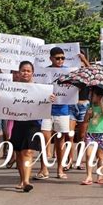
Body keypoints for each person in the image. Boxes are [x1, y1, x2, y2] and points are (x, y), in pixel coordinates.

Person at [8, 61, 55, 192]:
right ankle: (22, 179)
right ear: (19, 72)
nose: (25, 73)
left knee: (28, 151)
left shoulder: (39, 89)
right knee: (18, 153)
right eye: (23, 70)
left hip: (33, 123)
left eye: (28, 71)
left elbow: (45, 101)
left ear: (32, 73)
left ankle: (26, 181)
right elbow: (5, 102)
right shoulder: (11, 88)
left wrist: (50, 98)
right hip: (17, 122)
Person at [36, 47, 70, 180]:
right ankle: (43, 169)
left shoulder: (69, 72)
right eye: (57, 58)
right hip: (46, 110)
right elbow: (38, 90)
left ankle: (60, 169)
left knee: (60, 142)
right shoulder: (44, 73)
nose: (60, 60)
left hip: (62, 111)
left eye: (62, 58)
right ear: (51, 58)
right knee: (44, 140)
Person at [66, 52, 91, 171]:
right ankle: (69, 160)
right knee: (69, 135)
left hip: (83, 105)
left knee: (82, 136)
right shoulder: (70, 74)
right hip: (71, 105)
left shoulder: (87, 76)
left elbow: (92, 71)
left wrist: (84, 60)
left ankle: (79, 160)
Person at [81, 88, 103, 185]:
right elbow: (85, 120)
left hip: (102, 133)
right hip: (91, 133)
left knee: (100, 156)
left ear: (99, 97)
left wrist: (101, 102)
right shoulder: (90, 106)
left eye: (93, 95)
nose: (91, 97)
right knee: (89, 155)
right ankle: (89, 176)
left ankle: (100, 175)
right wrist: (88, 114)